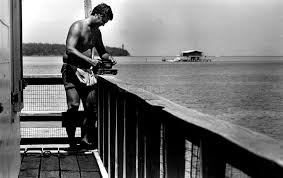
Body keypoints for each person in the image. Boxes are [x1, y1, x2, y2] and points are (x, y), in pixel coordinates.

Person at [61, 3, 115, 150]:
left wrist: (108, 58)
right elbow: (70, 49)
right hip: (71, 70)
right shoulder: (78, 26)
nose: (104, 25)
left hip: (87, 73)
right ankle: (71, 142)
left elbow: (102, 51)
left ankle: (85, 140)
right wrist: (91, 61)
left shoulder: (97, 32)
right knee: (73, 106)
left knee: (91, 107)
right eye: (104, 21)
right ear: (99, 15)